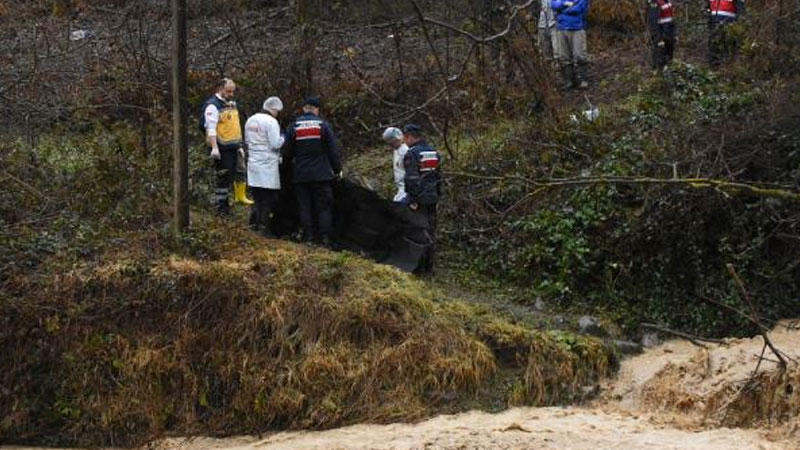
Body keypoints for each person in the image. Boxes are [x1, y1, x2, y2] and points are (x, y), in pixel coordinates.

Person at [283, 97, 342, 246]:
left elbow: (287, 152)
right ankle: (324, 238)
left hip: (301, 174)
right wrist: (337, 169)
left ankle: (308, 237)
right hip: (321, 174)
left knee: (304, 206)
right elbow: (333, 150)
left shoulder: (294, 126)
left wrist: (286, 170)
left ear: (304, 108)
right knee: (323, 207)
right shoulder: (323, 125)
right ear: (316, 109)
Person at [200, 78, 251, 216]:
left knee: (233, 176)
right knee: (223, 178)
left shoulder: (230, 104)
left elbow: (234, 126)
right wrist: (214, 147)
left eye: (232, 91)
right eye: (228, 91)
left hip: (233, 146)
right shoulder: (212, 105)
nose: (231, 94)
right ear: (220, 89)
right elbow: (210, 128)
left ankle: (227, 206)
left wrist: (239, 145)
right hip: (222, 148)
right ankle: (221, 208)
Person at [401, 124, 442, 274]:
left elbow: (411, 180)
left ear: (409, 137)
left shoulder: (412, 154)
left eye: (405, 138)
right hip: (432, 198)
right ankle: (429, 267)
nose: (405, 141)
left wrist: (412, 200)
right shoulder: (433, 152)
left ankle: (417, 268)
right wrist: (437, 195)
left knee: (417, 231)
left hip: (419, 199)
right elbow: (438, 177)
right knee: (430, 231)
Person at [244, 96, 285, 237]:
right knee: (268, 198)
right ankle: (264, 228)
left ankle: (253, 225)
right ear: (273, 109)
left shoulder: (251, 120)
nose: (277, 114)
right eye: (277, 111)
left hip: (253, 162)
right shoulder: (272, 122)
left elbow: (247, 141)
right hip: (267, 163)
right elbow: (275, 144)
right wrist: (284, 138)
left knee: (257, 196)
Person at [550, 0, 590, 90]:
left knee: (579, 55)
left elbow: (578, 9)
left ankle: (583, 79)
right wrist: (565, 4)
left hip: (577, 27)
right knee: (564, 56)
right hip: (561, 27)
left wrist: (561, 9)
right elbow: (553, 5)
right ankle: (569, 80)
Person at [708, 0, 745, 66]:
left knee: (721, 43)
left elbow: (741, 10)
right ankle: (717, 63)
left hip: (725, 21)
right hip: (720, 20)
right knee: (718, 43)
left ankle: (719, 63)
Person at [647, 0, 676, 71]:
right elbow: (653, 23)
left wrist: (674, 35)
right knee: (660, 56)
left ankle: (669, 73)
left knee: (669, 56)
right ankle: (659, 74)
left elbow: (671, 19)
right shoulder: (654, 3)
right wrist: (658, 39)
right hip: (661, 35)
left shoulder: (666, 1)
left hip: (669, 34)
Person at [382, 127, 409, 203]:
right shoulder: (396, 151)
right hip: (401, 188)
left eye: (392, 141)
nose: (391, 144)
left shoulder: (406, 151)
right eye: (389, 142)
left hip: (407, 189)